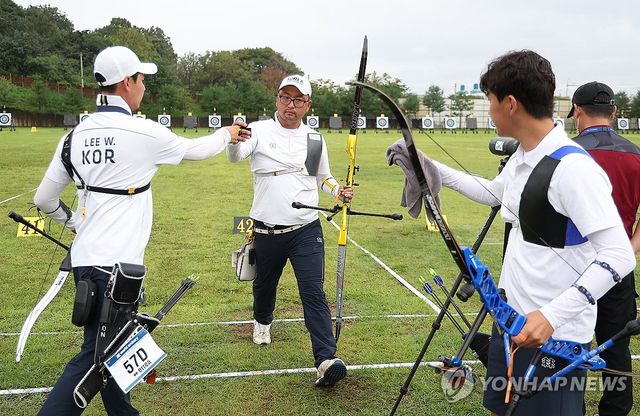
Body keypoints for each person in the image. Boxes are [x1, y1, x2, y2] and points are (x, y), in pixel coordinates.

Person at [33, 45, 247, 415]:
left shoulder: (74, 136)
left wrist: (77, 224)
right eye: (142, 79)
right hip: (116, 270)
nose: (144, 86)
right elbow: (196, 150)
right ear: (127, 82)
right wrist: (227, 133)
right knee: (96, 357)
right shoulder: (143, 131)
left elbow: (44, 199)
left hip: (86, 264)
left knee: (114, 351)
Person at [428, 51, 636, 415]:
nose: (490, 110)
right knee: (502, 409)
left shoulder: (573, 168)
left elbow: (618, 255)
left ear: (510, 104)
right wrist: (430, 168)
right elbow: (495, 193)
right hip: (511, 320)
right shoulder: (527, 155)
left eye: (491, 101)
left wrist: (552, 316)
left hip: (553, 337)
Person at [226, 74, 352, 387]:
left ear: (308, 105)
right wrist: (234, 140)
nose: (290, 105)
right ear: (277, 100)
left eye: (297, 100)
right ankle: (262, 321)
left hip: (305, 229)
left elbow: (322, 177)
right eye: (285, 97)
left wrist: (338, 191)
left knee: (313, 291)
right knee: (264, 286)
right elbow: (236, 156)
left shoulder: (314, 139)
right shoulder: (258, 130)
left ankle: (326, 359)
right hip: (266, 230)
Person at [569, 81, 640, 416]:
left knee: (568, 343)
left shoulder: (566, 154)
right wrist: (628, 251)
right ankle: (615, 410)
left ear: (577, 112)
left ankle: (568, 406)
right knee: (616, 347)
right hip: (618, 269)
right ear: (614, 113)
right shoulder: (636, 154)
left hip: (572, 268)